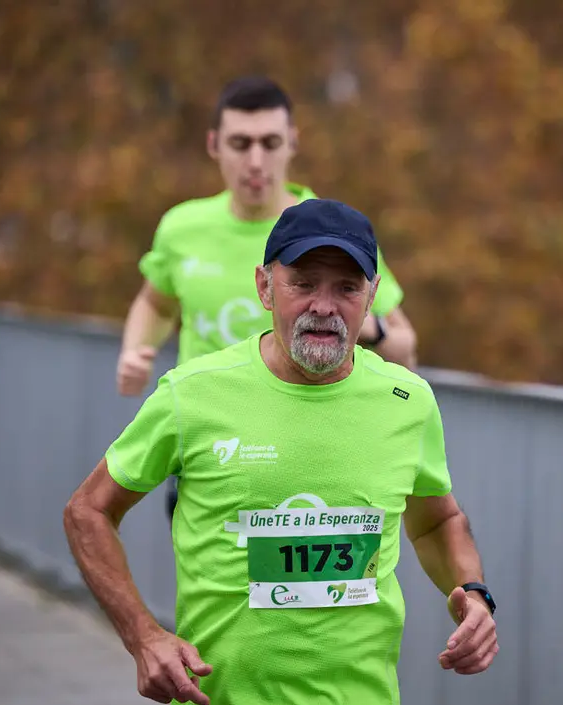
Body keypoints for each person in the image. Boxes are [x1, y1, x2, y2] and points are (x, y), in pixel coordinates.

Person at [66, 198, 498, 705]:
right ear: (265, 287)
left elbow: (437, 521)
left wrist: (473, 593)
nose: (324, 306)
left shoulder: (407, 400)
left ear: (372, 296)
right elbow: (88, 511)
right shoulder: (193, 394)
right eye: (303, 283)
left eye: (347, 288)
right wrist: (142, 636)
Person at [116, 75, 419, 523]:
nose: (256, 161)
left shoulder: (330, 234)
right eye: (241, 144)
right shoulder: (182, 228)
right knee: (208, 566)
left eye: (270, 143)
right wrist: (133, 351)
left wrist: (365, 328)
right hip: (209, 444)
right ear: (214, 145)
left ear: (293, 143)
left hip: (306, 451)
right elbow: (155, 304)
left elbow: (405, 348)